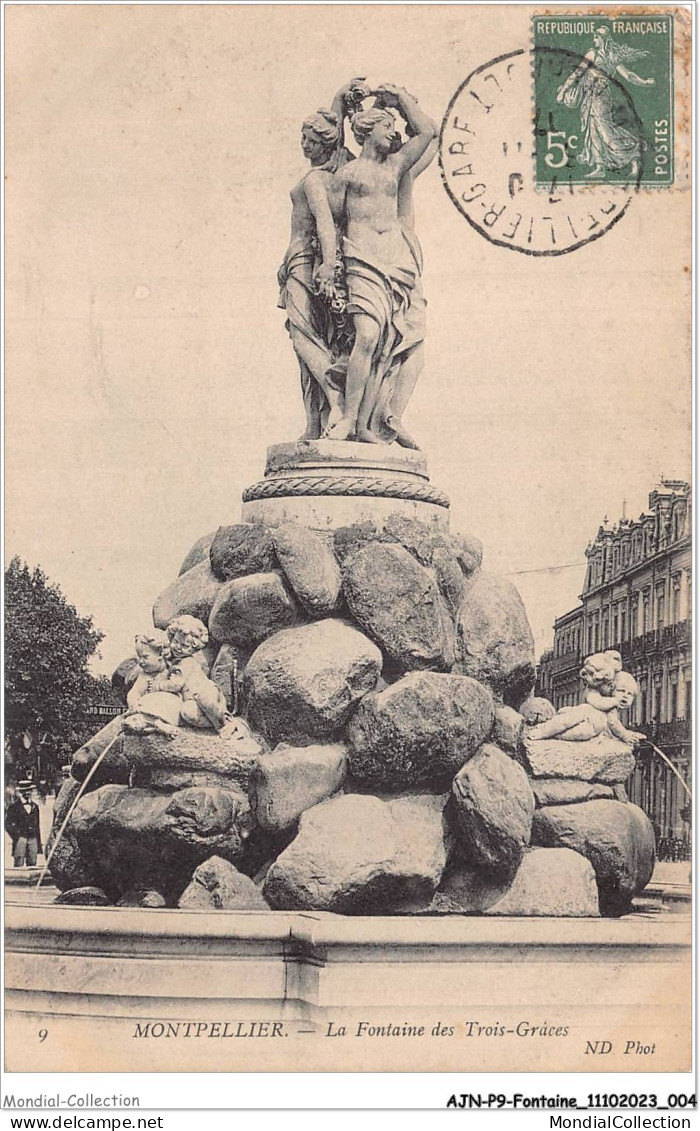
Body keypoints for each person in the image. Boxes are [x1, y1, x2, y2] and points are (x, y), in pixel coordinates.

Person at [326, 84, 437, 443]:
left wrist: (400, 98)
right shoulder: (347, 174)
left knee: (402, 342)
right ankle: (349, 420)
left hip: (396, 263)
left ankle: (381, 418)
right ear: (367, 130)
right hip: (362, 261)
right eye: (387, 126)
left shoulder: (395, 166)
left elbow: (428, 132)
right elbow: (329, 223)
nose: (395, 133)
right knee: (369, 335)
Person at [278, 79, 369, 439]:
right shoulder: (334, 171)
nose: (304, 145)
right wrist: (341, 101)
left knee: (303, 338)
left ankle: (336, 396)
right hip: (304, 263)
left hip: (303, 262)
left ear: (323, 144)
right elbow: (339, 140)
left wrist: (329, 264)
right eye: (303, 139)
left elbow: (325, 225)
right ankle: (314, 423)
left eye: (311, 140)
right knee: (313, 343)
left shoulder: (316, 180)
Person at [556, 27, 655, 179]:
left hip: (601, 97)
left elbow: (627, 75)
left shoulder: (601, 55)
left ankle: (635, 153)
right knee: (593, 131)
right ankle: (600, 167)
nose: (594, 40)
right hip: (590, 96)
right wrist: (563, 90)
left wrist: (644, 82)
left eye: (596, 38)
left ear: (602, 39)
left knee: (605, 131)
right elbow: (578, 74)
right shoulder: (598, 54)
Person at [5, 781, 43, 867]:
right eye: (24, 791)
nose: (27, 793)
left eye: (29, 790)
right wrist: (17, 835)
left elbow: (37, 826)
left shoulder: (35, 806)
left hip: (33, 838)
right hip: (20, 838)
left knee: (33, 863)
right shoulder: (14, 807)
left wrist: (38, 842)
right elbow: (7, 824)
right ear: (21, 792)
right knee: (19, 863)